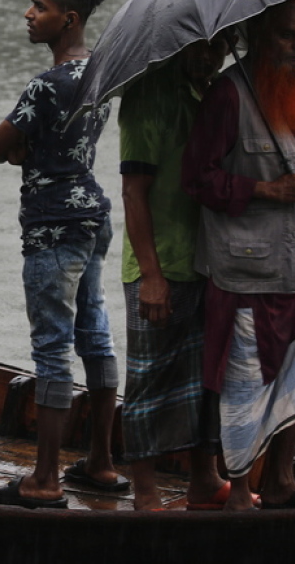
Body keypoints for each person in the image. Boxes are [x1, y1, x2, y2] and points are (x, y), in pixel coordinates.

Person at [181, 0, 295, 510]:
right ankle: (242, 491)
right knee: (245, 384)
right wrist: (266, 191)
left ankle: (283, 482)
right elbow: (197, 179)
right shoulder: (227, 96)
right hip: (247, 270)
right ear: (257, 38)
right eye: (288, 36)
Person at [0, 0, 123, 509]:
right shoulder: (101, 74)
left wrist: (23, 150)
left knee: (51, 349)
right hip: (92, 215)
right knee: (95, 334)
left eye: (38, 6)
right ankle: (103, 463)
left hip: (52, 224)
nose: (28, 14)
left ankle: (44, 478)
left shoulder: (46, 85)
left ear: (68, 18)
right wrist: (31, 149)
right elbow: (60, 145)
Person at [118, 36, 232, 511]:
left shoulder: (212, 94)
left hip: (208, 260)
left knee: (207, 380)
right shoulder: (150, 95)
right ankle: (145, 494)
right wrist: (151, 275)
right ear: (179, 43)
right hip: (160, 263)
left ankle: (204, 480)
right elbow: (133, 190)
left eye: (220, 46)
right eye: (201, 47)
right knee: (150, 379)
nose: (209, 57)